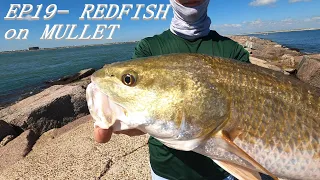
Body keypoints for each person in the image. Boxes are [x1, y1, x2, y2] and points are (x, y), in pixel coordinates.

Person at [94, 0, 251, 179]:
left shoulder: (233, 52)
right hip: (167, 172)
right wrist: (123, 123)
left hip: (223, 173)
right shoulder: (149, 48)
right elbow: (149, 116)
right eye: (129, 79)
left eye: (129, 79)